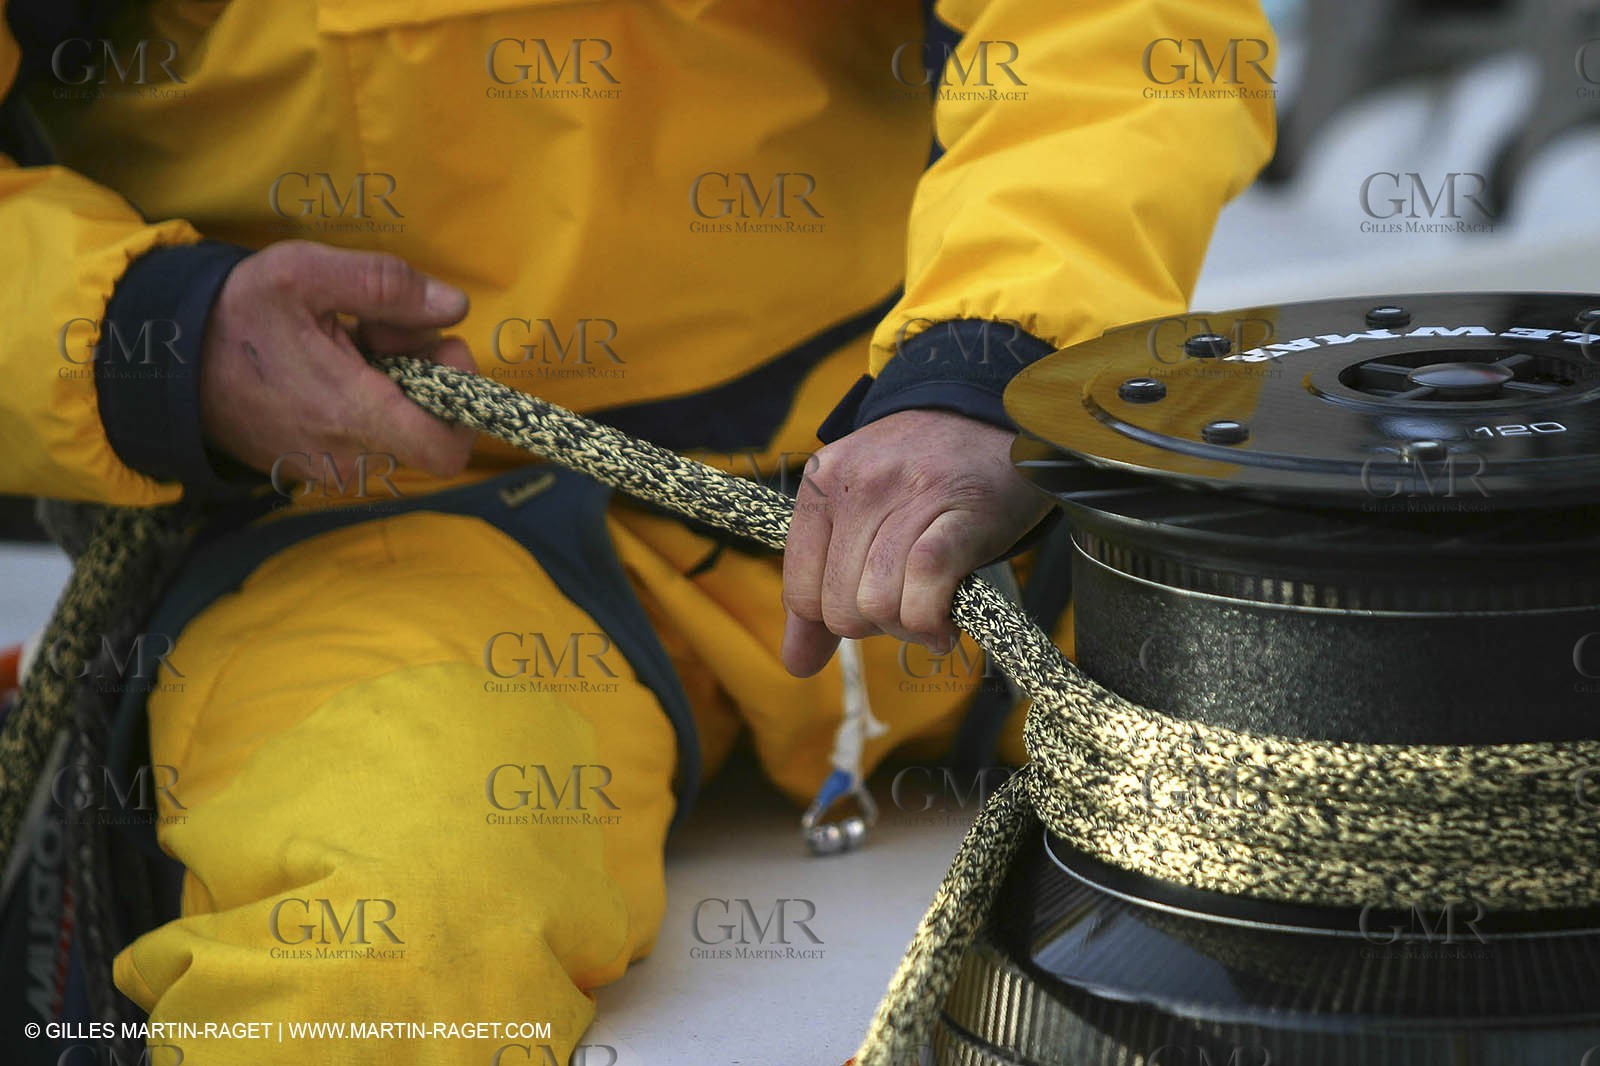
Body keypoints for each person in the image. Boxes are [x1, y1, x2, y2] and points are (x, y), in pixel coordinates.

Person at [0, 0, 1275, 1061]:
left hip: (943, 465)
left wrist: (996, 359)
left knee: (1409, 713)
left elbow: (1117, 24)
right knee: (389, 962)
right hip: (383, 529)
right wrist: (144, 333)